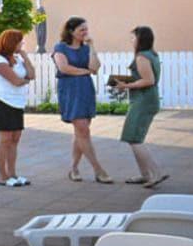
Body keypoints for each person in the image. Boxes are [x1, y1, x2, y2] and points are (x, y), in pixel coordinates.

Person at [52, 18, 111, 182]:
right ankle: (99, 170)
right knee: (83, 131)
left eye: (86, 29)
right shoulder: (60, 48)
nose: (85, 32)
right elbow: (64, 68)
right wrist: (85, 72)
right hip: (70, 90)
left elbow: (95, 68)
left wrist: (92, 47)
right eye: (81, 30)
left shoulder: (86, 49)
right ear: (71, 31)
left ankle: (73, 169)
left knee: (80, 132)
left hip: (85, 89)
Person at [108, 25, 168, 186]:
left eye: (133, 37)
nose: (131, 40)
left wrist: (125, 86)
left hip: (143, 101)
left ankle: (156, 174)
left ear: (140, 39)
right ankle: (145, 175)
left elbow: (149, 80)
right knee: (134, 138)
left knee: (134, 139)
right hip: (146, 99)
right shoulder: (152, 54)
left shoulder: (142, 57)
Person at [0, 28, 32, 186]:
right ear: (11, 42)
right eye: (19, 42)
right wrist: (25, 80)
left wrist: (25, 57)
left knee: (15, 139)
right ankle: (2, 176)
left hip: (17, 103)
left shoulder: (17, 59)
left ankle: (13, 174)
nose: (22, 44)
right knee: (5, 140)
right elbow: (16, 81)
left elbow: (32, 74)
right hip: (2, 102)